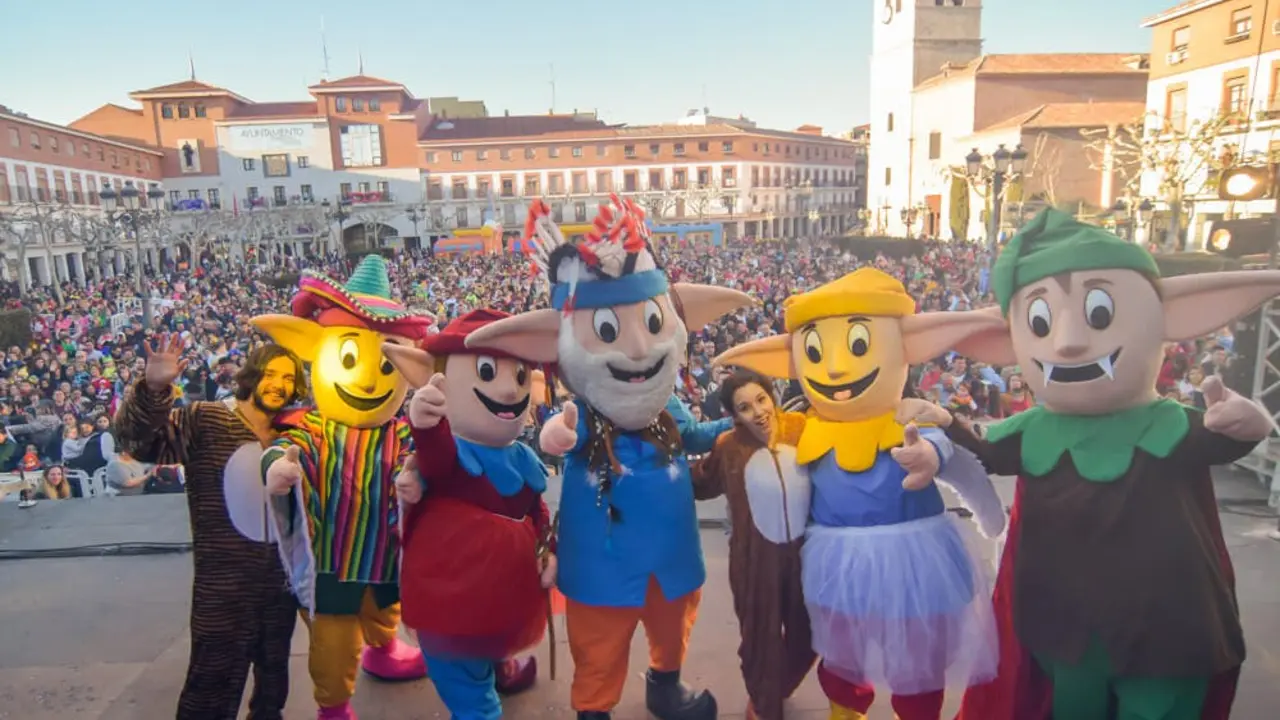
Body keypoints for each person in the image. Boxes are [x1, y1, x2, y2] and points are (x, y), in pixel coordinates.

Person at [903, 208, 1280, 720]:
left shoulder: (1169, 423)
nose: (1069, 341)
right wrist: (944, 423)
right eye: (1041, 321)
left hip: (1166, 632)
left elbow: (1226, 441)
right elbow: (984, 450)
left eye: (1098, 311)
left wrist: (1251, 419)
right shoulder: (1035, 429)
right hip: (1067, 631)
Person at [464, 196, 750, 720]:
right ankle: (593, 708)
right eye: (611, 332)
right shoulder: (583, 418)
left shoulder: (670, 407)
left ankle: (666, 683)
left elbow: (695, 435)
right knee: (599, 641)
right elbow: (557, 437)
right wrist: (554, 433)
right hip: (603, 561)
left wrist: (737, 427)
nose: (639, 350)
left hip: (671, 556)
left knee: (673, 623)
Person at [715, 268, 1006, 720]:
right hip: (837, 560)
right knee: (843, 653)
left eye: (857, 347)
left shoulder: (911, 418)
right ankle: (846, 712)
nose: (834, 368)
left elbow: (949, 455)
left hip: (912, 560)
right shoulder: (806, 429)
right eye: (815, 352)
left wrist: (930, 453)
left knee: (916, 656)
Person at [257, 254, 431, 720]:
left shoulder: (400, 431)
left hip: (385, 550)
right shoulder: (312, 429)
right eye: (352, 357)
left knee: (384, 611)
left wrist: (419, 474)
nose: (371, 376)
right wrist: (277, 470)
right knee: (333, 641)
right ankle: (333, 705)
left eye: (388, 363)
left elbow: (430, 458)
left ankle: (384, 649)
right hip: (333, 557)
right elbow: (284, 450)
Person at [113, 337, 305, 720]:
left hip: (280, 580)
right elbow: (136, 443)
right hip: (223, 583)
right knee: (211, 683)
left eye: (288, 378)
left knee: (272, 683)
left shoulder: (295, 433)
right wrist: (153, 390)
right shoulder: (206, 418)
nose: (278, 384)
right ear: (251, 375)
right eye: (270, 374)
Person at [383, 308, 556, 720]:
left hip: (505, 604)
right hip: (453, 608)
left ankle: (500, 669)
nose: (509, 391)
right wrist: (426, 423)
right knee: (467, 690)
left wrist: (549, 548)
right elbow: (438, 458)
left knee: (488, 656)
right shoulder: (452, 455)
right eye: (486, 371)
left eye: (517, 376)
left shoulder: (523, 459)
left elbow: (536, 509)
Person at [689, 368, 816, 720]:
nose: (758, 412)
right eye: (745, 407)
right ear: (734, 416)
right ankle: (763, 703)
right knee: (760, 640)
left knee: (810, 636)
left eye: (761, 400)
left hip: (806, 557)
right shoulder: (729, 447)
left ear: (771, 397)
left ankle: (775, 687)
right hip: (753, 559)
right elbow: (699, 482)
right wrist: (655, 471)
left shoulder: (801, 430)